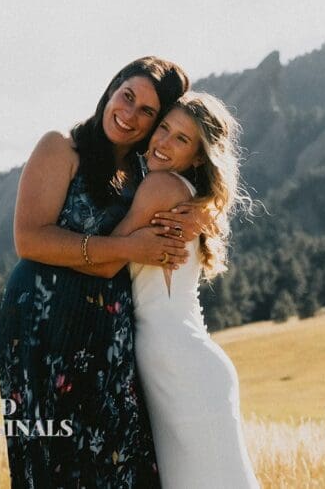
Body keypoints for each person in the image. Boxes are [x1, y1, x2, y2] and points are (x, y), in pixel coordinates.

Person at [0, 56, 206, 488]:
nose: (129, 115)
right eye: (127, 97)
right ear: (112, 89)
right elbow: (30, 240)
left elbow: (203, 186)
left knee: (119, 458)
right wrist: (128, 247)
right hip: (42, 325)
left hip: (108, 331)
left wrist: (199, 214)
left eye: (147, 112)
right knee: (50, 461)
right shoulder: (61, 147)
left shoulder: (149, 172)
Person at [90, 91, 259, 487]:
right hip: (181, 361)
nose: (163, 142)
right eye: (163, 128)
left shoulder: (162, 187)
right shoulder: (185, 194)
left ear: (199, 157)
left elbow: (107, 261)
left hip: (180, 366)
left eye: (180, 139)